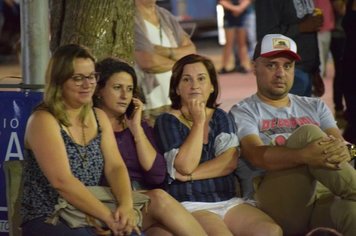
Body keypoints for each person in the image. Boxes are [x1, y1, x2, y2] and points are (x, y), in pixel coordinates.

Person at [229, 34, 356, 236]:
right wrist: (304, 155)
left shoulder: (315, 105)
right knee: (307, 133)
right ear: (254, 68)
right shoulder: (243, 111)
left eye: (287, 66)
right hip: (274, 203)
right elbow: (256, 155)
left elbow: (343, 147)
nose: (281, 73)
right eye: (271, 65)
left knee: (352, 212)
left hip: (319, 197)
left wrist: (350, 150)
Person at [154, 54, 282, 235]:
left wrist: (188, 176)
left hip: (228, 200)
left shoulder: (220, 116)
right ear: (177, 88)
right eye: (186, 79)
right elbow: (184, 164)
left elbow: (229, 163)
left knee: (270, 231)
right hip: (192, 203)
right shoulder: (167, 121)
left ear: (212, 86)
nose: (195, 85)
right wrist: (199, 123)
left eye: (201, 78)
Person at [20, 44, 142, 236]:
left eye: (92, 76)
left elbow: (115, 166)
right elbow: (62, 181)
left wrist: (126, 206)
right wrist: (108, 218)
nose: (88, 84)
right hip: (50, 215)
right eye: (78, 78)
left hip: (90, 210)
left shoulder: (99, 116)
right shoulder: (43, 120)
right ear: (59, 81)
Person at [94, 57, 208, 236]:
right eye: (117, 88)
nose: (125, 96)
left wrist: (137, 131)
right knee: (160, 198)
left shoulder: (138, 124)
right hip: (115, 202)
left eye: (129, 89)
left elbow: (156, 175)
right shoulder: (91, 125)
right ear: (99, 90)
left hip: (146, 205)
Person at [134, 0, 196, 122]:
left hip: (175, 100)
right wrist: (181, 63)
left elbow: (191, 50)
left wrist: (165, 52)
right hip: (150, 104)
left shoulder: (164, 15)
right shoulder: (131, 19)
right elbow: (148, 61)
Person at [255, 0, 323, 97]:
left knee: (304, 112)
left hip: (308, 70)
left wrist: (315, 69)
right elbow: (266, 35)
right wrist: (300, 27)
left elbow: (310, 31)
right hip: (286, 70)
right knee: (284, 112)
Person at [218, 0, 252, 74]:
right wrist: (235, 8)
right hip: (229, 17)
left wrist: (240, 8)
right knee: (228, 44)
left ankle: (244, 65)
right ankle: (224, 66)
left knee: (242, 43)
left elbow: (247, 1)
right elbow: (222, 1)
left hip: (242, 17)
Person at [341, 0, 356, 144]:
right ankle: (349, 159)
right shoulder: (349, 3)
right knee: (352, 118)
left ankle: (348, 158)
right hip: (349, 65)